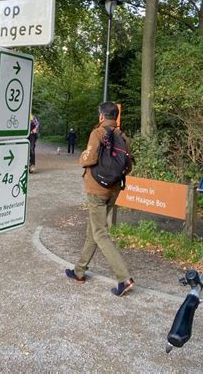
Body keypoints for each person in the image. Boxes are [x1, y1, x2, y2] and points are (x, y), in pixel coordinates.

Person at [65, 101, 135, 297]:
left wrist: (82, 159)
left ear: (102, 116)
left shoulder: (98, 133)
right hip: (114, 190)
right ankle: (79, 270)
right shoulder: (123, 137)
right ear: (116, 117)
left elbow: (89, 159)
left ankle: (124, 278)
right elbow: (128, 166)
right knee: (93, 231)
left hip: (96, 190)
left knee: (100, 233)